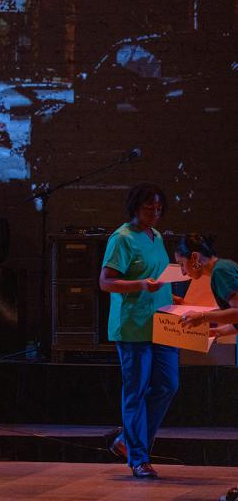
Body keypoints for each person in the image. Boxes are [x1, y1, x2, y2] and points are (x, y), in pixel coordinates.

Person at [100, 182, 179, 479]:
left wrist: (174, 297)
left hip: (161, 322)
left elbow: (157, 276)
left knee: (168, 384)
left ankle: (128, 441)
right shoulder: (122, 238)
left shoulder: (156, 236)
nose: (155, 213)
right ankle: (138, 458)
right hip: (133, 326)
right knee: (136, 390)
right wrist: (140, 285)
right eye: (149, 208)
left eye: (159, 208)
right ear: (135, 206)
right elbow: (106, 283)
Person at [176, 234, 238, 336]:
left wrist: (202, 317)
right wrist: (218, 332)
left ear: (195, 257)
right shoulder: (224, 266)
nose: (183, 272)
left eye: (182, 264)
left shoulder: (220, 271)